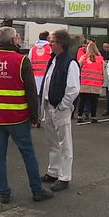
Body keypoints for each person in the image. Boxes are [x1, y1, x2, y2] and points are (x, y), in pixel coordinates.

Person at [0, 27, 53, 203]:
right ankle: (36, 190)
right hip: (18, 117)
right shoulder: (22, 61)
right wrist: (34, 117)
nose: (18, 40)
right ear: (13, 41)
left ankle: (4, 192)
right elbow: (31, 91)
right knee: (28, 154)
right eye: (17, 37)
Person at [40, 29, 80, 192]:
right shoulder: (54, 59)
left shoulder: (69, 62)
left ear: (61, 43)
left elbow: (73, 88)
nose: (49, 44)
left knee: (64, 143)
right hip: (50, 105)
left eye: (53, 41)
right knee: (52, 142)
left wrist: (63, 105)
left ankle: (64, 177)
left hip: (59, 107)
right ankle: (53, 171)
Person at [77, 42, 104, 123]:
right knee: (94, 102)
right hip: (96, 83)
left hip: (84, 82)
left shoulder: (84, 57)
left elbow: (78, 67)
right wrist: (102, 81)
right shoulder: (100, 59)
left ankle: (79, 117)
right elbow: (102, 71)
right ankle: (93, 117)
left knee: (82, 101)